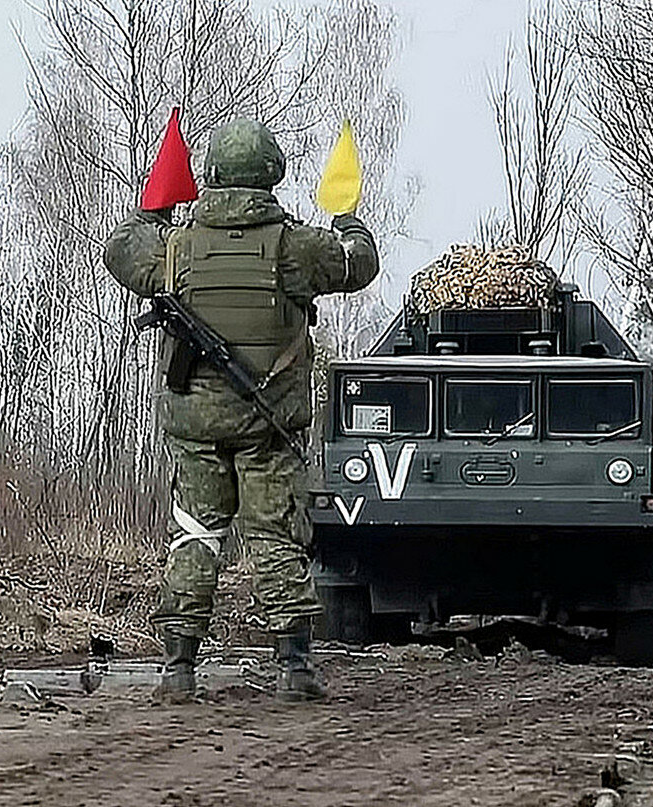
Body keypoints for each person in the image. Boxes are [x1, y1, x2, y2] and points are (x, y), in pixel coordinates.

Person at [103, 118, 380, 702]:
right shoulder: (297, 248)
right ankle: (295, 667)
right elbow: (359, 263)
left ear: (215, 175)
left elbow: (123, 250)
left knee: (195, 535)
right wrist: (346, 215)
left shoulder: (176, 247)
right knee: (275, 536)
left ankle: (178, 668)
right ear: (272, 174)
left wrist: (156, 207)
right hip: (268, 425)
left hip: (197, 425)